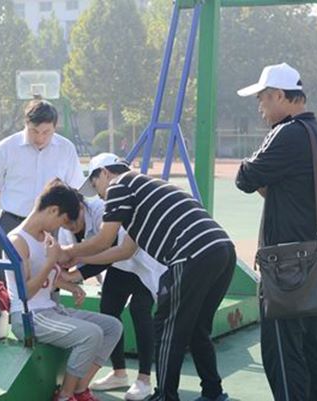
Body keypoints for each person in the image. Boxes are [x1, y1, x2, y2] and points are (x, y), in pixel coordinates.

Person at [61, 153, 237, 401]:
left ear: (105, 173)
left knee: (166, 328)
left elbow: (103, 240)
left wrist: (67, 252)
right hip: (221, 250)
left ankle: (165, 396)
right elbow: (123, 251)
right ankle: (213, 393)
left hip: (191, 254)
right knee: (197, 327)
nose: (99, 195)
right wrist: (80, 261)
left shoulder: (118, 185)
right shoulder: (142, 192)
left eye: (95, 184)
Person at [235, 62, 317, 401]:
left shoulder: (287, 134)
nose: (260, 107)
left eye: (263, 98)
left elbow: (245, 177)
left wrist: (261, 173)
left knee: (282, 350)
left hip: (288, 266)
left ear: (280, 95)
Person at [5, 180, 122, 401]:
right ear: (53, 210)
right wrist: (50, 262)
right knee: (91, 334)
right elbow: (25, 293)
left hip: (51, 309)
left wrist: (70, 286)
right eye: (62, 220)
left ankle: (80, 389)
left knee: (112, 327)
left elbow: (49, 279)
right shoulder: (17, 241)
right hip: (29, 316)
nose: (61, 226)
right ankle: (65, 396)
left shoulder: (46, 238)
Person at [58, 193, 167, 400]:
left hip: (143, 262)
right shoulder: (65, 227)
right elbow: (70, 259)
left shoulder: (101, 210)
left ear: (80, 207)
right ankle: (119, 373)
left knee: (140, 310)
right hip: (119, 265)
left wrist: (76, 274)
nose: (70, 227)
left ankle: (144, 379)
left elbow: (110, 250)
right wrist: (68, 276)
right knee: (109, 311)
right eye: (66, 224)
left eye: (73, 222)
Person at [0, 99, 84, 282]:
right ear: (26, 124)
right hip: (11, 224)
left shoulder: (66, 149)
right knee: (6, 285)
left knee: (49, 283)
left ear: (55, 127)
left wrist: (76, 237)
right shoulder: (6, 148)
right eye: (34, 131)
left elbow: (76, 193)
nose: (40, 138)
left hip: (50, 228)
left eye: (46, 132)